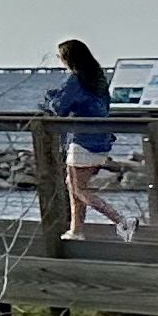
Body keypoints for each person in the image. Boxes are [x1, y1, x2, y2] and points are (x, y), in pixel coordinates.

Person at [46, 38, 127, 237]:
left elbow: (60, 108)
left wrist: (50, 99)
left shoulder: (75, 79)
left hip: (83, 140)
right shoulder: (97, 78)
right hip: (102, 139)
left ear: (68, 58)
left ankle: (122, 221)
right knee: (74, 186)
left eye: (59, 56)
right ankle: (76, 230)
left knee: (78, 189)